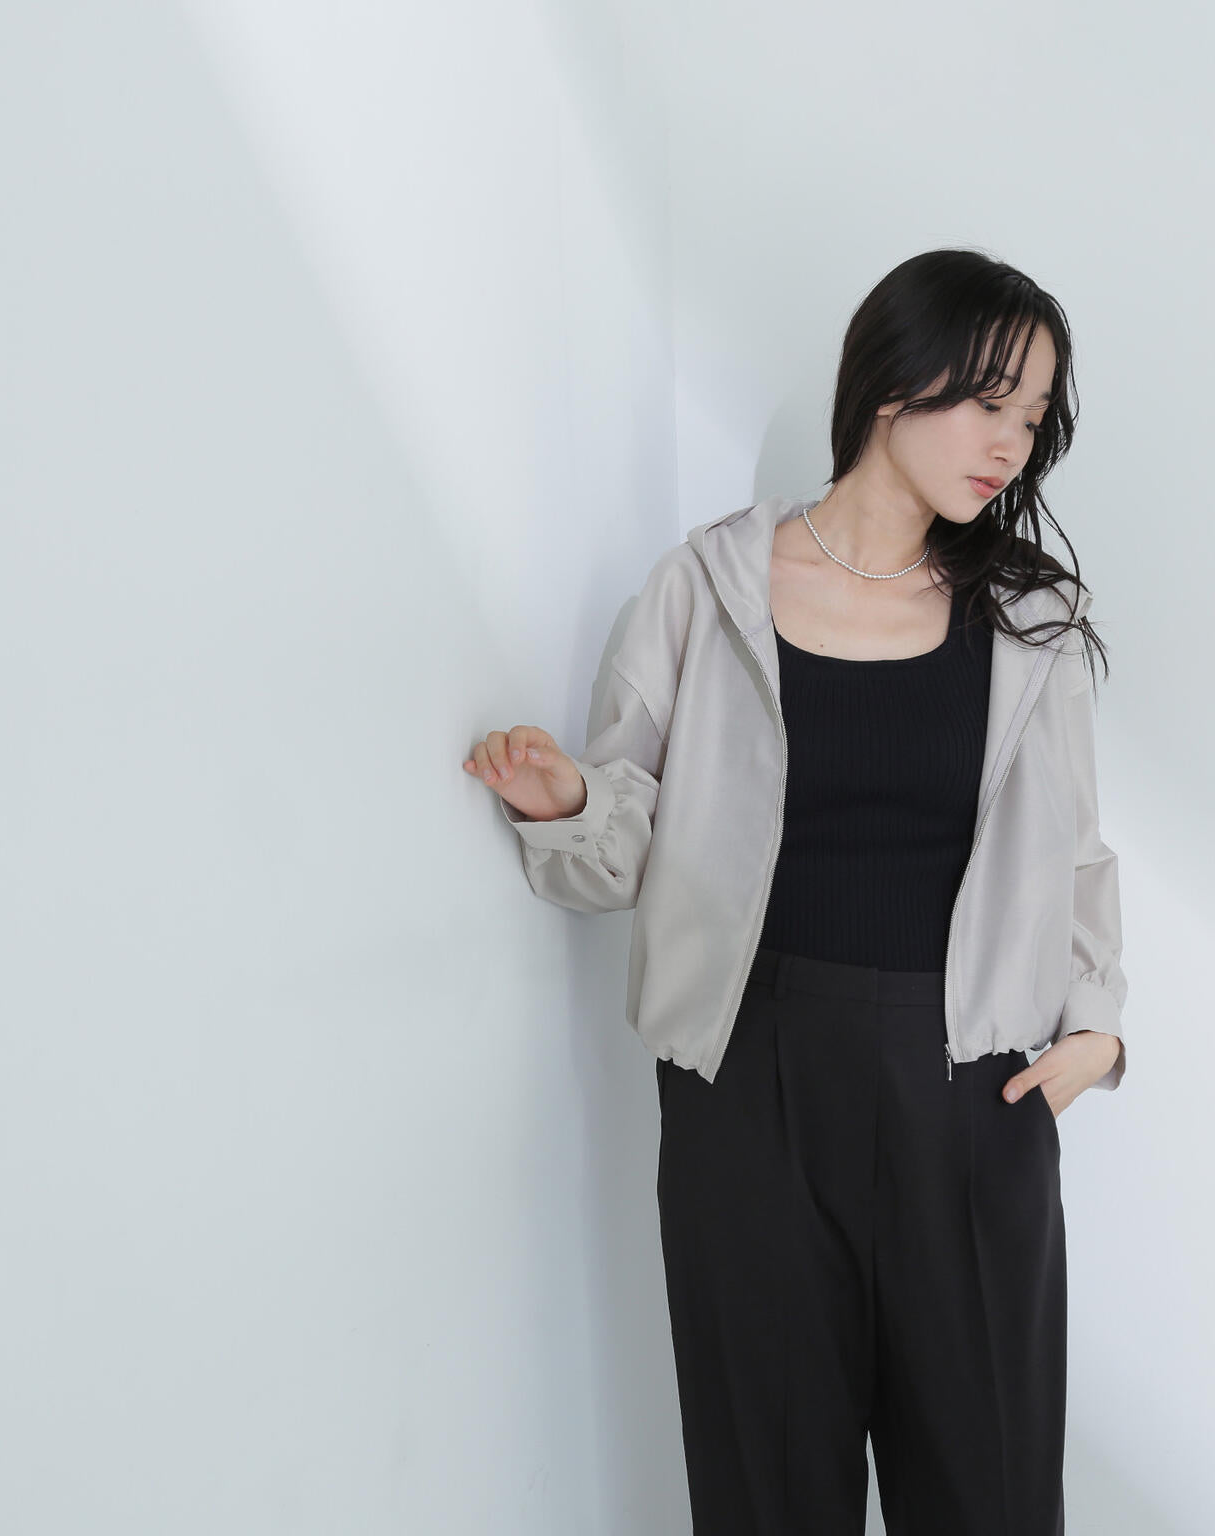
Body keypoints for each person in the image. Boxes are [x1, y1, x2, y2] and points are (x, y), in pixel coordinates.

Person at [462, 248, 1126, 1535]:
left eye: (1032, 416)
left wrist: (1094, 1032)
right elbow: (626, 843)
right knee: (765, 1491)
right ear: (891, 379)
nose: (1009, 443)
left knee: (987, 1494)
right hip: (746, 1085)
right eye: (987, 401)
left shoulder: (1027, 620)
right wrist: (564, 799)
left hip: (968, 1089)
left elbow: (1073, 853)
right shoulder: (704, 588)